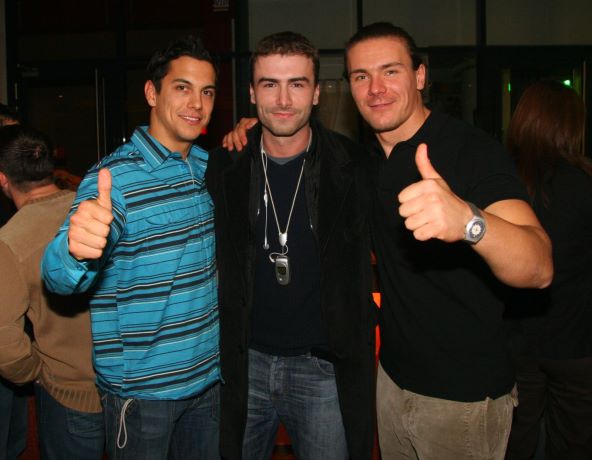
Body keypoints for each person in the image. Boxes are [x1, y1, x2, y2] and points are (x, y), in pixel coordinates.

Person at [223, 22, 553, 460]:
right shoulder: (364, 163)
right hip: (392, 385)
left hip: (462, 399)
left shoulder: (468, 150)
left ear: (420, 75)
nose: (376, 88)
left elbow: (539, 267)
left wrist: (469, 221)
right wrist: (252, 129)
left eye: (391, 71)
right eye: (362, 76)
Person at [41, 36, 220, 460]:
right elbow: (58, 278)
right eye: (182, 87)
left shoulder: (208, 168)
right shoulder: (112, 179)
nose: (197, 103)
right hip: (142, 396)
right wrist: (73, 252)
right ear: (152, 93)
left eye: (207, 91)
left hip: (209, 383)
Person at [207, 31, 377, 460]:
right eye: (270, 84)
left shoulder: (354, 167)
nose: (283, 100)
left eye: (297, 84)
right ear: (252, 93)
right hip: (242, 365)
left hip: (323, 368)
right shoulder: (224, 166)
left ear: (316, 93)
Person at [0, 125, 104, 459]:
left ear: (3, 179)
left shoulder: (9, 242)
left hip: (69, 397)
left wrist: (35, 371)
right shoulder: (95, 212)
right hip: (129, 389)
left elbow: (5, 344)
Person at [503, 81, 592, 460]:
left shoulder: (502, 182)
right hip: (578, 343)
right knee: (573, 443)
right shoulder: (585, 183)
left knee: (515, 440)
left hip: (515, 339)